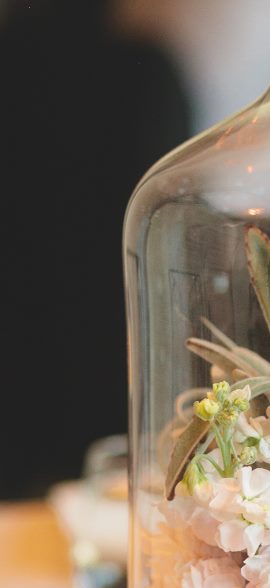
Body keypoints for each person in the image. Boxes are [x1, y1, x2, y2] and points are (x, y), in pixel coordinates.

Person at [0, 0, 191, 499]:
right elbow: (174, 207)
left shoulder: (13, 56)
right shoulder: (146, 67)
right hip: (108, 306)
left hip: (20, 302)